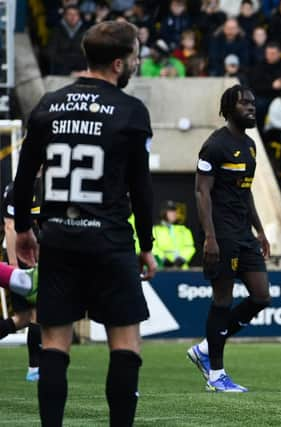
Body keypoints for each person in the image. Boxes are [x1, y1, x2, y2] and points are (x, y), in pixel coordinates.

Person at [12, 20, 157, 427]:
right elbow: (141, 189)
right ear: (117, 63)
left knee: (55, 344)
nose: (137, 63)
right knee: (125, 342)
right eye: (135, 56)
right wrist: (146, 244)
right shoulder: (130, 111)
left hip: (57, 237)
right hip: (109, 240)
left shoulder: (47, 105)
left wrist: (24, 228)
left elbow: (25, 178)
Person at [188, 85, 271, 393]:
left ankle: (205, 350)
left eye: (252, 102)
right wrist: (209, 237)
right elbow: (202, 192)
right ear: (228, 108)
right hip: (220, 232)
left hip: (243, 232)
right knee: (222, 299)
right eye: (244, 104)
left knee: (261, 296)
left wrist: (260, 230)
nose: (251, 108)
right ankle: (216, 375)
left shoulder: (250, 145)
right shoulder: (214, 146)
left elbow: (245, 190)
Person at [0, 181, 42, 381]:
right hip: (21, 257)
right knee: (36, 314)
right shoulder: (19, 187)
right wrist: (14, 265)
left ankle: (35, 367)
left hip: (35, 256)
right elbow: (10, 225)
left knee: (23, 318)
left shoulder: (48, 186)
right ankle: (35, 368)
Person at [152, 200, 196, 269]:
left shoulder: (184, 230)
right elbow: (153, 247)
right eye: (170, 211)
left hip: (182, 268)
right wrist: (164, 260)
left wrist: (181, 259)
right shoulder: (155, 229)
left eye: (175, 211)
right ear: (163, 212)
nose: (174, 213)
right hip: (162, 268)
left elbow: (190, 247)